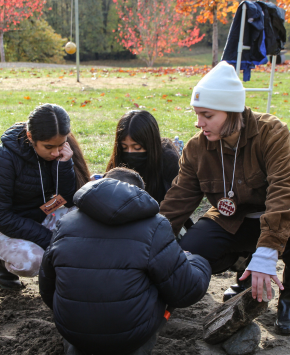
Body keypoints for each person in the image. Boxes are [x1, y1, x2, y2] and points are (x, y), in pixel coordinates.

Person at [160, 60, 290, 335]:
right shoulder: (197, 147)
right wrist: (148, 241)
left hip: (281, 217)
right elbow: (178, 200)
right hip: (230, 219)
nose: (198, 123)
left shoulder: (272, 133)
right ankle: (244, 270)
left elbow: (285, 190)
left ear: (232, 111)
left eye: (207, 115)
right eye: (197, 113)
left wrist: (268, 251)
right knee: (191, 249)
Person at [39, 167, 211, 355]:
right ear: (140, 194)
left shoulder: (66, 222)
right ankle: (138, 348)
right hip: (130, 337)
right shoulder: (156, 225)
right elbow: (186, 291)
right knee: (167, 278)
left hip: (72, 331)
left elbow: (47, 285)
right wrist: (198, 260)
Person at [0, 103, 90, 290]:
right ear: (30, 136)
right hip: (6, 225)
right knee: (36, 260)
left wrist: (64, 165)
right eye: (49, 147)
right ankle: (2, 265)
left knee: (82, 217)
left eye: (60, 145)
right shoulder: (5, 159)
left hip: (39, 215)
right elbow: (3, 216)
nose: (55, 152)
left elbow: (67, 198)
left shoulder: (59, 153)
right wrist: (47, 239)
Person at [106, 110, 180, 204]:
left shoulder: (168, 159)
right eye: (124, 147)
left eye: (137, 148)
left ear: (150, 145)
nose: (130, 152)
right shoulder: (119, 157)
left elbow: (177, 202)